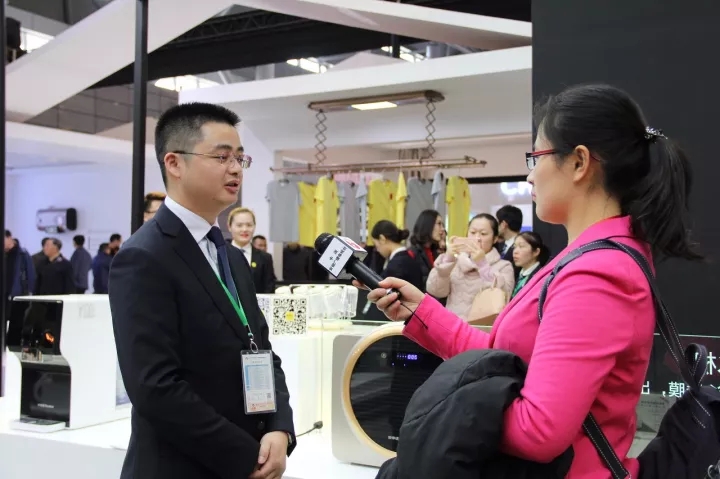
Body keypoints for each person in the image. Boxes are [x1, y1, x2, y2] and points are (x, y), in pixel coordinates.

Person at [363, 84, 700, 478]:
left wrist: (445, 411)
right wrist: (420, 311)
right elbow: (500, 358)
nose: (529, 174)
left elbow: (539, 430)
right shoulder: (588, 260)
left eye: (535, 157)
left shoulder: (598, 274)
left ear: (579, 162)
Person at [109, 102, 295, 479]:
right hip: (180, 467)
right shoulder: (144, 256)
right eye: (221, 157)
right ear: (174, 163)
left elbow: (260, 348)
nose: (235, 169)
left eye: (240, 158)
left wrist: (279, 427)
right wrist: (244, 455)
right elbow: (154, 387)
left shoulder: (231, 256)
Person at [426, 213, 514, 321]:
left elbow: (504, 297)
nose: (477, 238)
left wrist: (482, 265)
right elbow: (435, 291)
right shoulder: (456, 262)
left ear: (495, 238)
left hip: (482, 328)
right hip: (451, 325)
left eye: (483, 233)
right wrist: (447, 260)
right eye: (472, 232)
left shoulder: (504, 266)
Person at [227, 207, 276, 294]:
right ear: (229, 227)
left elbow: (269, 288)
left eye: (249, 225)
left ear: (254, 226)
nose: (244, 229)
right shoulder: (219, 253)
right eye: (239, 225)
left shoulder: (265, 258)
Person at [408, 209, 444, 292]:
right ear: (428, 225)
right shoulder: (412, 254)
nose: (442, 229)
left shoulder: (434, 252)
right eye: (439, 224)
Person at [510, 231, 550, 299]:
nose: (515, 251)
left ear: (536, 252)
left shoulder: (542, 277)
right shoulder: (516, 273)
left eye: (521, 246)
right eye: (514, 247)